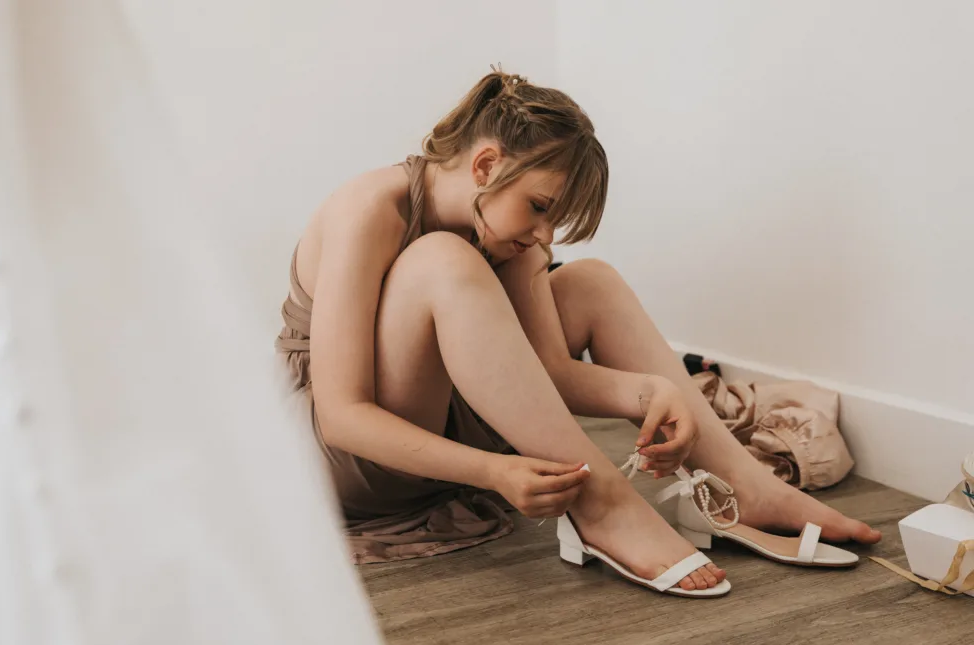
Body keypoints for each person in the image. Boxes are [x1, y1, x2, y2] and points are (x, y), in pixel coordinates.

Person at [276, 66, 880, 594]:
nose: (545, 235)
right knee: (441, 258)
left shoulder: (505, 232)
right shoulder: (372, 209)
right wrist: (493, 472)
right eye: (540, 208)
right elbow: (342, 414)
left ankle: (743, 482)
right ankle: (604, 504)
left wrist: (647, 393)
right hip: (348, 453)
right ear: (486, 165)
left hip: (444, 415)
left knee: (589, 280)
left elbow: (550, 375)